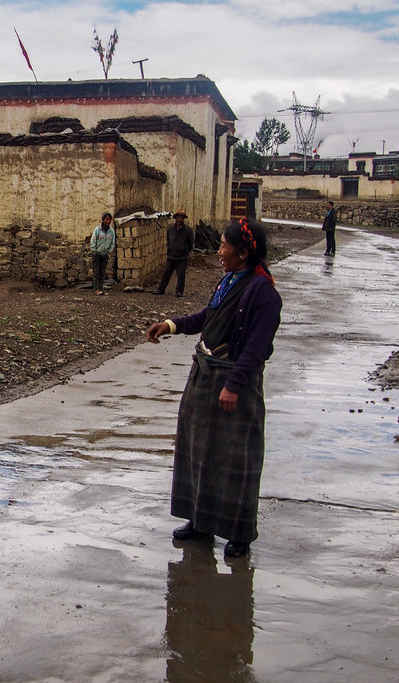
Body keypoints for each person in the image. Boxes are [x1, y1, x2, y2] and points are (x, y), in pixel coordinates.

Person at [145, 218, 282, 558]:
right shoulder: (229, 280)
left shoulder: (264, 293)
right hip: (205, 378)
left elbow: (255, 346)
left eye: (224, 246)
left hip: (234, 383)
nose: (219, 251)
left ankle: (239, 532)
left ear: (244, 252)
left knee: (237, 458)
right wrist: (172, 325)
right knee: (198, 451)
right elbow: (210, 316)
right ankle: (200, 521)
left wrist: (233, 386)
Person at [156, 210, 194, 297]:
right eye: (178, 217)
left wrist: (185, 252)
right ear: (176, 218)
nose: (180, 219)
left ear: (184, 219)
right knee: (166, 274)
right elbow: (168, 241)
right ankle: (160, 290)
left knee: (181, 276)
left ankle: (179, 292)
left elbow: (191, 243)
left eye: (181, 218)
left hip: (182, 258)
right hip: (171, 256)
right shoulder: (170, 230)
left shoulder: (188, 231)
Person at [90, 212, 116, 295]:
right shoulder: (97, 230)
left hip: (105, 255)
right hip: (97, 254)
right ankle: (96, 289)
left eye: (109, 220)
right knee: (96, 273)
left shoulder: (111, 231)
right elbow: (93, 241)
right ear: (103, 220)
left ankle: (100, 289)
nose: (108, 221)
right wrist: (94, 251)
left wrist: (109, 252)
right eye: (106, 219)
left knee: (102, 273)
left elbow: (112, 243)